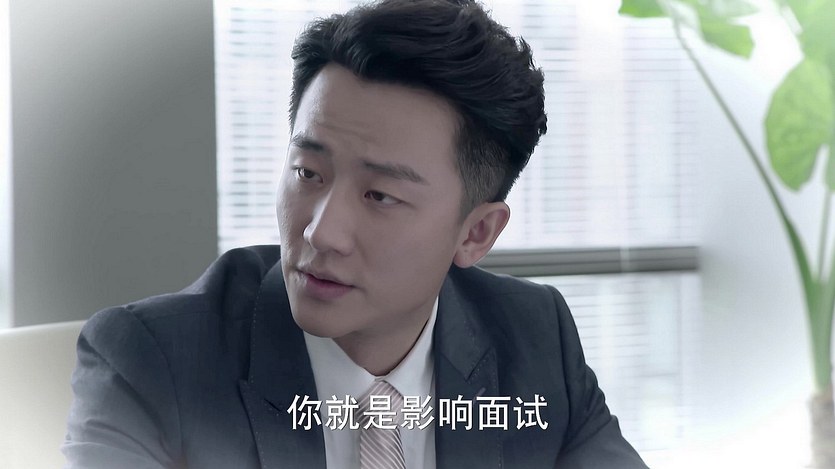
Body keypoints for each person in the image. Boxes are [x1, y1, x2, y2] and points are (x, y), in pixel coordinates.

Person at [63, 0, 648, 468]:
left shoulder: (535, 340)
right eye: (308, 173)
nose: (321, 233)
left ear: (476, 233)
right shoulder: (153, 363)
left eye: (380, 196)